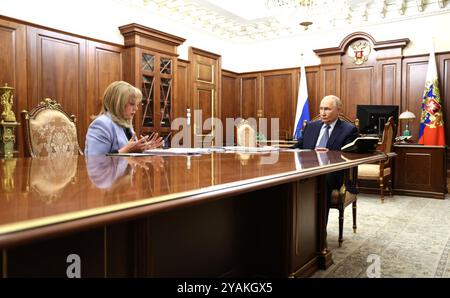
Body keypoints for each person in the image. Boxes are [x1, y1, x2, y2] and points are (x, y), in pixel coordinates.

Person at [292, 95, 359, 203]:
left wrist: (331, 154)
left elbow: (350, 154)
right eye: (321, 108)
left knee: (323, 178)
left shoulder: (349, 130)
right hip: (308, 169)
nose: (322, 113)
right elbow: (298, 146)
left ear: (338, 111)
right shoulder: (311, 126)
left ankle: (320, 219)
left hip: (333, 173)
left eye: (327, 109)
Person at [85, 81, 163, 155]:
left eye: (137, 104)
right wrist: (127, 150)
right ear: (118, 103)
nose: (136, 109)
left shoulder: (125, 124)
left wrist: (145, 148)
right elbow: (95, 160)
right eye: (132, 104)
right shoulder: (101, 124)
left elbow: (131, 152)